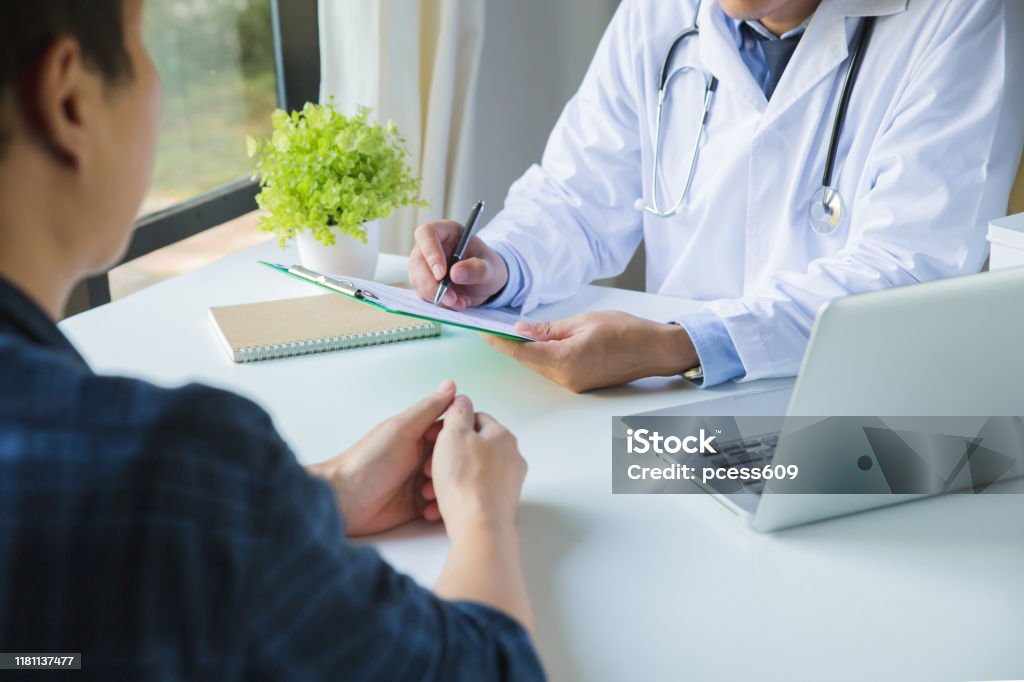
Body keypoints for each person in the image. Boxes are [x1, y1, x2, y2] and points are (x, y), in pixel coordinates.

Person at [0, 1, 544, 679]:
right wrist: (484, 513)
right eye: (145, 46)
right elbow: (488, 667)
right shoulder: (173, 464)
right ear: (69, 98)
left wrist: (327, 489)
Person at [409, 0, 1024, 393]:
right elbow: (575, 196)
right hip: (669, 402)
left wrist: (682, 342)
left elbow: (908, 269)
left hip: (863, 414)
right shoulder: (657, 14)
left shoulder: (962, 14)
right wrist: (499, 261)